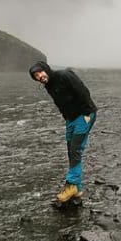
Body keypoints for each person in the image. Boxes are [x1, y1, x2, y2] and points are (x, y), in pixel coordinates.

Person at [29, 60, 98, 202]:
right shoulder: (48, 86)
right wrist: (66, 117)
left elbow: (83, 91)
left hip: (83, 115)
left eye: (40, 72)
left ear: (46, 69)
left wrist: (86, 114)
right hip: (71, 119)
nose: (39, 77)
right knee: (71, 151)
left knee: (75, 150)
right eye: (36, 76)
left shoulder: (65, 75)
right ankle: (77, 189)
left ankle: (71, 185)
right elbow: (60, 102)